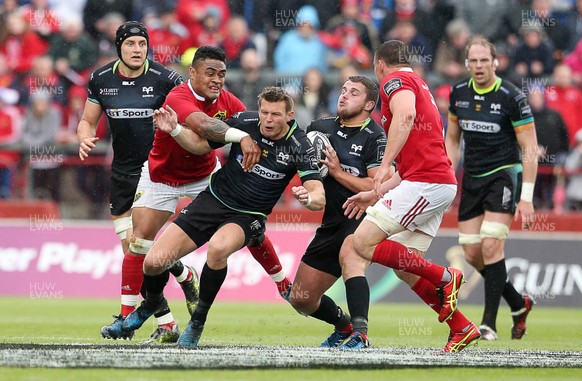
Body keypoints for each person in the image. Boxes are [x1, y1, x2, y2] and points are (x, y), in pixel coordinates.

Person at [122, 87, 326, 348]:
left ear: (289, 116)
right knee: (153, 263)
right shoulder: (244, 122)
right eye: (264, 112)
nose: (268, 120)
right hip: (213, 200)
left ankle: (197, 321)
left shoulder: (300, 145)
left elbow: (318, 193)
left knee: (217, 249)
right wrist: (174, 129)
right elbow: (197, 146)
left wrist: (309, 199)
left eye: (276, 114)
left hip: (248, 215)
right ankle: (150, 304)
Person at [339, 40, 480, 353]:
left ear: (379, 64)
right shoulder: (418, 82)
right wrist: (376, 190)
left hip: (426, 184)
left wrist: (385, 164)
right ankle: (462, 327)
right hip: (431, 181)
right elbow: (412, 162)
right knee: (405, 266)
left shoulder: (395, 81)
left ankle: (446, 277)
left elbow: (403, 118)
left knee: (361, 243)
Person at [77, 21, 193, 343]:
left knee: (136, 253)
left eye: (142, 44)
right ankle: (177, 286)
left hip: (155, 174)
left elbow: (190, 110)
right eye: (131, 44)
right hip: (122, 174)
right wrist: (85, 138)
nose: (137, 49)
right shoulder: (101, 79)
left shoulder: (164, 78)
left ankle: (131, 317)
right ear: (119, 48)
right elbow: (87, 121)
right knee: (134, 252)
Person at [445, 38, 538, 341]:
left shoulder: (512, 96)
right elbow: (453, 140)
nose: (479, 66)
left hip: (503, 175)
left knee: (490, 245)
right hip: (472, 177)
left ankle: (488, 324)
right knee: (472, 252)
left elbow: (530, 149)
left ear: (495, 62)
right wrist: (447, 175)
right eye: (473, 61)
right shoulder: (458, 94)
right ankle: (518, 302)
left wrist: (526, 197)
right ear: (467, 63)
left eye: (484, 60)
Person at [288, 75, 387, 346]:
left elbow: (376, 187)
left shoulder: (375, 137)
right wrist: (305, 188)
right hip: (331, 221)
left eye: (353, 93)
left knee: (350, 256)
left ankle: (361, 334)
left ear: (369, 105)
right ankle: (343, 326)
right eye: (343, 90)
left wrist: (338, 173)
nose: (344, 95)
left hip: (362, 219)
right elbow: (303, 164)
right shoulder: (319, 127)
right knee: (300, 298)